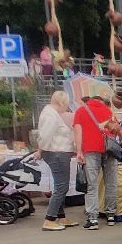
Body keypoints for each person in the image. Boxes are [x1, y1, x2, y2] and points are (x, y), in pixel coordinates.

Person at [74, 92, 118, 228]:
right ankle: (111, 216)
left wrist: (79, 151)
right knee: (110, 183)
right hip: (109, 149)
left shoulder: (81, 111)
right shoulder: (108, 110)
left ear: (89, 101)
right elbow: (116, 129)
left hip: (91, 149)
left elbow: (78, 131)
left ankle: (93, 219)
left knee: (91, 185)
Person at [37, 90, 76, 231]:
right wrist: (42, 149)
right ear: (62, 102)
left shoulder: (50, 113)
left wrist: (41, 150)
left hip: (56, 153)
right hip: (57, 153)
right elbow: (45, 135)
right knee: (62, 187)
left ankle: (60, 216)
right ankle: (49, 219)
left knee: (59, 186)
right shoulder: (51, 115)